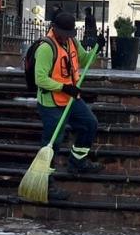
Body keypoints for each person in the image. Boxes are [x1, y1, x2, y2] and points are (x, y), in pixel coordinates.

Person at [33, 12, 103, 189]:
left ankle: (77, 162)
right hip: (51, 102)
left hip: (71, 98)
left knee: (89, 124)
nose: (66, 36)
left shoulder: (72, 42)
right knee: (54, 141)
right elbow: (40, 79)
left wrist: (97, 48)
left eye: (69, 33)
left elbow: (86, 60)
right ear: (54, 29)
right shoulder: (46, 48)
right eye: (63, 33)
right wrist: (64, 87)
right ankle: (45, 183)